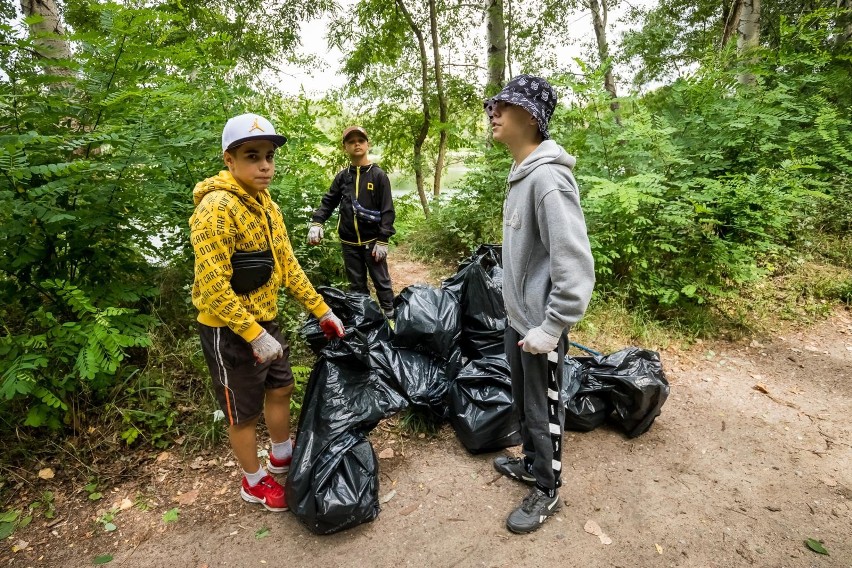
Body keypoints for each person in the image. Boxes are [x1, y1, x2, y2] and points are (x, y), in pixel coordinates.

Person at [190, 113, 346, 512]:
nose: (264, 165)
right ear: (229, 160)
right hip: (229, 330)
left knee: (280, 387)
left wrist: (322, 310)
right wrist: (252, 334)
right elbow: (212, 284)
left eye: (269, 156)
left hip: (266, 320)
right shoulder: (216, 209)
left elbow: (288, 267)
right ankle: (254, 481)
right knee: (241, 412)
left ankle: (281, 454)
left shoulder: (268, 206)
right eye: (252, 156)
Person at [484, 75, 595, 533]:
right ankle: (531, 463)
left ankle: (547, 490)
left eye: (502, 108)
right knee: (525, 403)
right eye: (492, 107)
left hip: (541, 326)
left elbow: (573, 262)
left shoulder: (548, 179)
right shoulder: (523, 174)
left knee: (544, 407)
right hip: (520, 321)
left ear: (530, 117)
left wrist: (554, 325)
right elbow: (532, 252)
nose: (493, 114)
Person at [307, 126, 396, 319]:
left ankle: (391, 318)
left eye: (360, 141)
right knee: (356, 286)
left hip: (373, 242)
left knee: (381, 281)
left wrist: (383, 239)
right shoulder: (343, 177)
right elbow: (329, 201)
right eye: (351, 141)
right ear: (344, 147)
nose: (356, 144)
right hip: (349, 243)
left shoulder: (378, 175)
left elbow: (387, 210)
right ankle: (366, 321)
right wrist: (317, 222)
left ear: (367, 144)